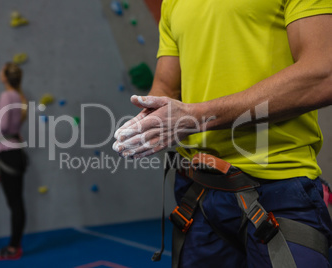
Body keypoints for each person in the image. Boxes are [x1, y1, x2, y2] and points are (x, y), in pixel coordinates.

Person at [113, 0, 332, 267]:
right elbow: (166, 85)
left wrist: (198, 117)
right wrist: (147, 122)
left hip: (277, 187)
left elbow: (323, 75)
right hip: (197, 192)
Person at [0, 62, 28, 260]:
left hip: (8, 154)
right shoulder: (18, 96)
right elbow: (9, 127)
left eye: (1, 71)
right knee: (16, 202)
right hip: (15, 150)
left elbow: (1, 126)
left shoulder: (6, 95)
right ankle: (14, 246)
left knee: (15, 203)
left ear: (5, 77)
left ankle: (12, 248)